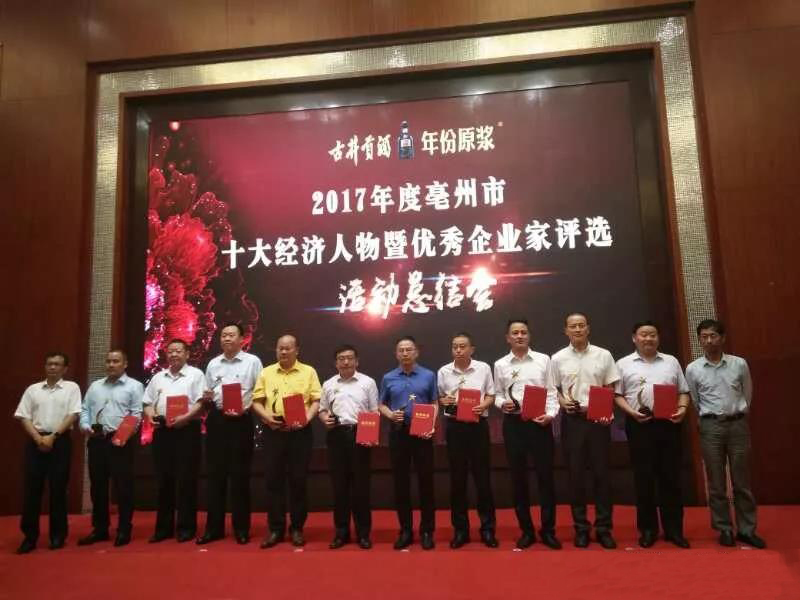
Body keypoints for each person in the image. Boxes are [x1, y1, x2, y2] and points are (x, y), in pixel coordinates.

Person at [686, 319, 766, 549]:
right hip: (710, 426)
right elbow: (695, 400)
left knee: (742, 481)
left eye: (713, 336)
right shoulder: (693, 369)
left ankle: (747, 530)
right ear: (699, 340)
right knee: (716, 483)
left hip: (737, 425)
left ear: (722, 338)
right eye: (704, 337)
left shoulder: (739, 364)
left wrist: (738, 413)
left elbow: (747, 393)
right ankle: (724, 529)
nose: (709, 340)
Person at [614, 321, 690, 548]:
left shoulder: (671, 361)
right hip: (639, 425)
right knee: (643, 479)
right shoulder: (623, 363)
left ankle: (674, 530)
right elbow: (617, 395)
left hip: (669, 425)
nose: (648, 338)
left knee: (671, 478)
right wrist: (631, 412)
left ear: (658, 337)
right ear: (634, 338)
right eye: (643, 334)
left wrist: (682, 409)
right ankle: (647, 530)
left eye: (652, 334)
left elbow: (683, 392)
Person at [550, 313, 619, 549]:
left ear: (588, 329)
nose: (577, 329)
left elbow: (610, 386)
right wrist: (562, 402)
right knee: (575, 476)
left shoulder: (603, 355)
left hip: (598, 420)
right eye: (573, 326)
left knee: (602, 476)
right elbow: (554, 389)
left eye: (581, 325)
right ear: (566, 331)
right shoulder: (558, 358)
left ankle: (604, 528)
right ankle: (581, 528)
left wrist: (605, 410)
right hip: (573, 421)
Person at [494, 319, 561, 550]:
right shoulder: (500, 364)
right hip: (514, 425)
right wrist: (502, 404)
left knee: (545, 478)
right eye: (515, 333)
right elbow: (497, 394)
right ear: (508, 338)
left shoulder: (544, 360)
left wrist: (550, 415)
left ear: (529, 336)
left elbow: (551, 391)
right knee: (518, 478)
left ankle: (548, 530)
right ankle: (527, 531)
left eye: (523, 332)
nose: (520, 336)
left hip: (540, 424)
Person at [252, 334, 321, 548]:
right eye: (280, 348)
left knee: (298, 481)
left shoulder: (308, 371)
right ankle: (276, 529)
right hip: (273, 431)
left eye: (287, 348)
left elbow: (316, 400)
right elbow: (256, 401)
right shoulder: (266, 372)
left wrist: (306, 419)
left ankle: (297, 528)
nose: (283, 351)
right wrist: (266, 418)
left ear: (296, 350)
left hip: (300, 433)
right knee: (273, 481)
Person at [197, 323, 262, 545]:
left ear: (242, 339)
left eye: (231, 335)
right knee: (215, 476)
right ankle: (213, 529)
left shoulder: (252, 362)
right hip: (217, 420)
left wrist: (246, 407)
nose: (226, 338)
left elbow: (259, 392)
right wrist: (206, 398)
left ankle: (241, 529)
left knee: (240, 476)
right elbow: (208, 392)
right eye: (223, 335)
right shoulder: (213, 363)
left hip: (241, 420)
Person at [14, 352, 81, 554]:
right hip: (35, 442)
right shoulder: (33, 389)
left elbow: (73, 414)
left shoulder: (72, 388)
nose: (52, 367)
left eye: (57, 364)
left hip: (60, 442)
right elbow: (23, 416)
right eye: (49, 364)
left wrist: (53, 436)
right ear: (45, 366)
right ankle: (29, 537)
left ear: (65, 368)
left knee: (58, 489)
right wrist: (38, 438)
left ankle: (57, 535)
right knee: (32, 490)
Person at [438, 332, 498, 549]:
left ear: (472, 349)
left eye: (463, 346)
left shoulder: (483, 368)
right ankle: (460, 530)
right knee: (458, 480)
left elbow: (491, 395)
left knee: (483, 479)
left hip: (477, 426)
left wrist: (484, 405)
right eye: (455, 346)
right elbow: (441, 398)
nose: (458, 350)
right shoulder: (444, 371)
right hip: (455, 428)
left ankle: (488, 529)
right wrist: (444, 400)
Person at [78, 349, 144, 547]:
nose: (111, 365)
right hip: (97, 440)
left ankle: (124, 529)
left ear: (125, 364)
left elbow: (136, 414)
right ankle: (100, 529)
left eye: (116, 361)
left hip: (121, 440)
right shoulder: (95, 386)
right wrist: (85, 426)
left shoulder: (134, 386)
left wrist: (122, 436)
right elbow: (84, 409)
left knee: (123, 487)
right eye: (108, 361)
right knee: (98, 487)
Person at [142, 338, 205, 543]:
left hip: (187, 430)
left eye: (178, 351)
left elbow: (201, 403)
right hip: (163, 432)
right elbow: (147, 402)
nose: (174, 354)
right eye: (170, 351)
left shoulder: (196, 375)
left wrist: (185, 418)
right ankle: (163, 528)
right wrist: (151, 416)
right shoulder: (158, 377)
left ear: (187, 354)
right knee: (164, 480)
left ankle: (186, 527)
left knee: (186, 479)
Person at [379, 335, 438, 550]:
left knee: (426, 482)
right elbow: (381, 404)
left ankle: (427, 531)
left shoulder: (428, 375)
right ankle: (405, 530)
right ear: (396, 354)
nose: (405, 353)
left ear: (416, 352)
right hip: (398, 433)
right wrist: (390, 414)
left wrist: (431, 424)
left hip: (422, 433)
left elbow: (434, 402)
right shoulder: (388, 378)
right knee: (401, 483)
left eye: (409, 349)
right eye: (401, 350)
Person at [319, 344, 379, 549]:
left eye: (350, 358)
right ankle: (341, 532)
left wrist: (370, 435)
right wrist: (325, 419)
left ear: (357, 361)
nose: (346, 362)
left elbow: (374, 411)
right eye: (341, 358)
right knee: (340, 487)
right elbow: (322, 410)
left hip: (360, 434)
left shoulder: (367, 382)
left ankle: (363, 533)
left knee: (361, 487)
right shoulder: (328, 384)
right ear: (336, 363)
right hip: (336, 436)